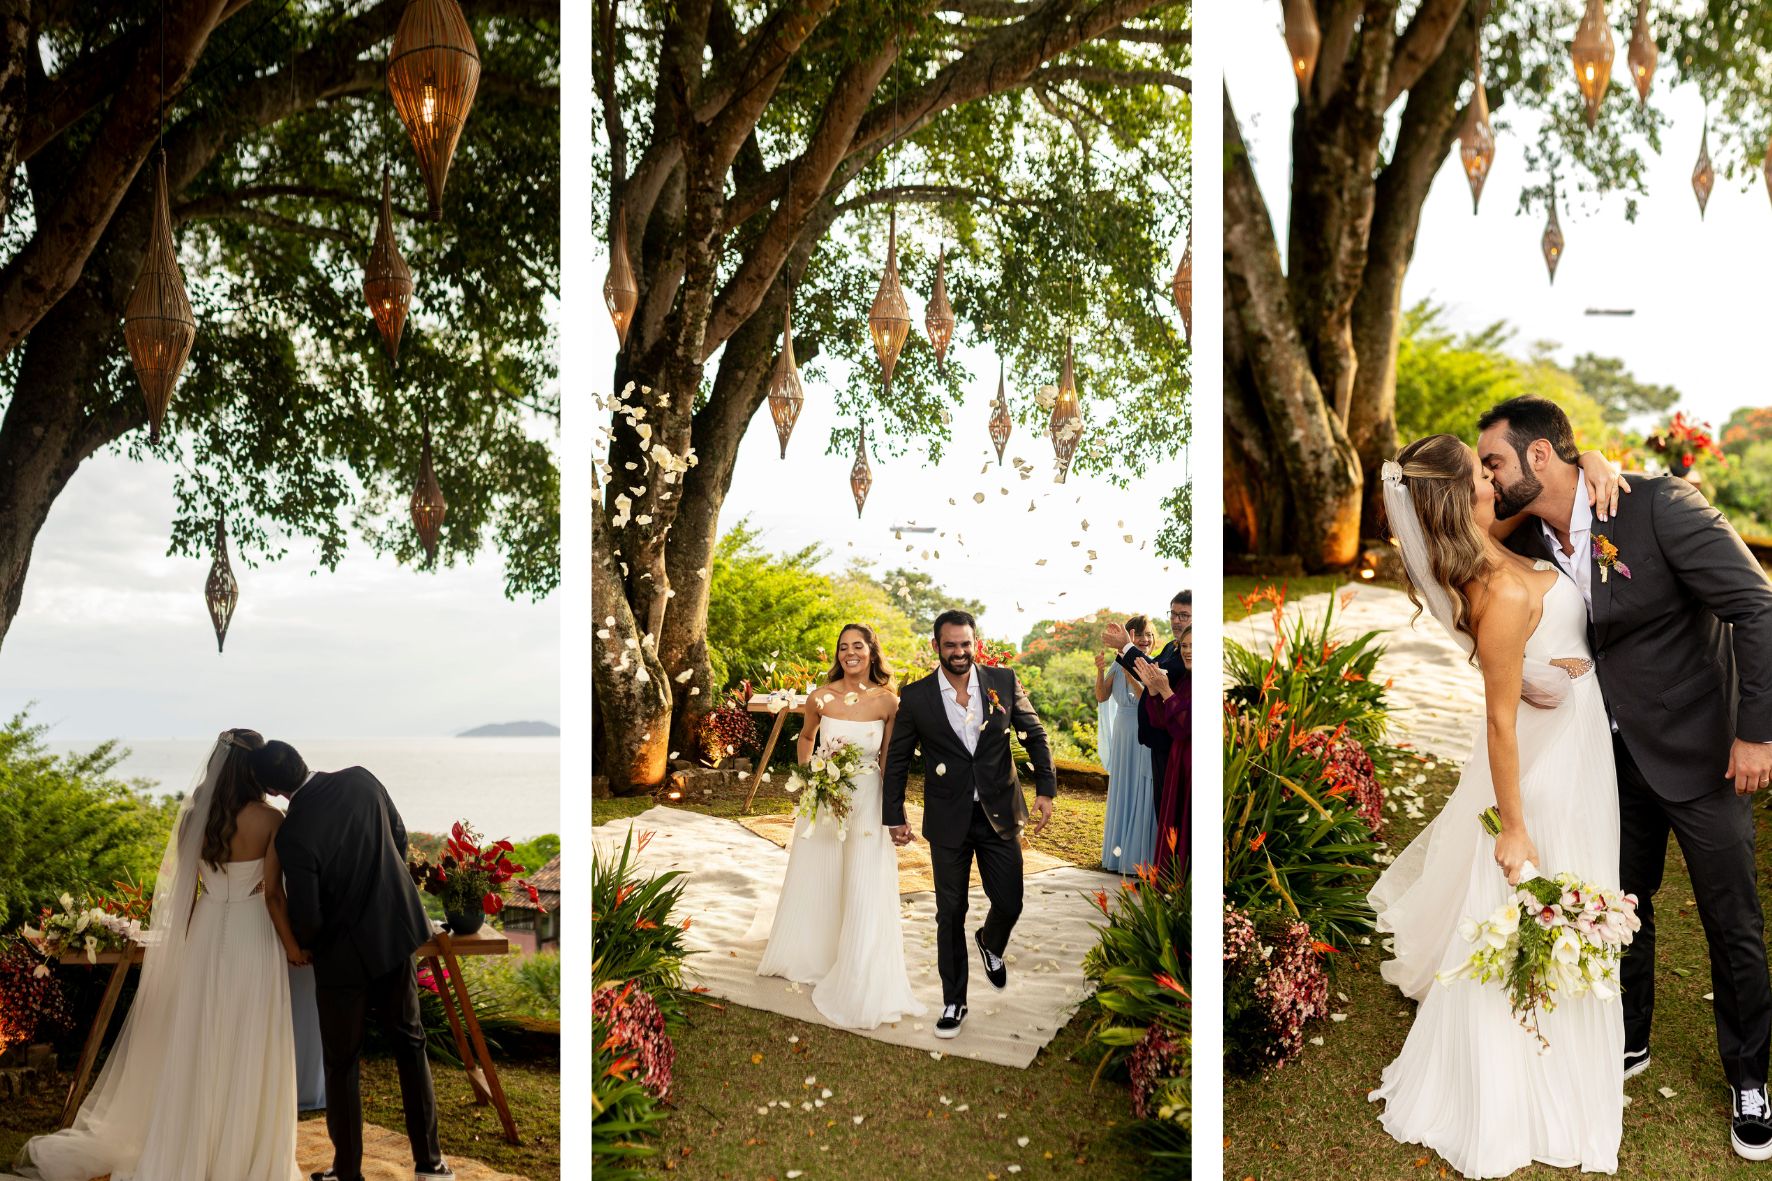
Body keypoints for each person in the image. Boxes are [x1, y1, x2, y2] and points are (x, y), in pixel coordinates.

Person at [1480, 394, 1772, 1160]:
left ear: (1539, 457)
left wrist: (1755, 733)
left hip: (1706, 753)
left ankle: (1749, 1077)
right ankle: (1628, 1037)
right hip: (1613, 756)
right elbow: (1471, 533)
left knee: (1731, 919)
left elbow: (1757, 606)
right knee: (1624, 903)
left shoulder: (1660, 506)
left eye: (1494, 462)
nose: (1488, 476)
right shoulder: (1535, 524)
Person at [1366, 433, 1626, 1177]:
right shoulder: (1504, 592)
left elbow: (1551, 498)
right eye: (1481, 472)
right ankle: (1531, 1067)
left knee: (1564, 896)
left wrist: (1597, 464)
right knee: (1538, 899)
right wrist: (1514, 827)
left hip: (1572, 738)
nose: (1494, 478)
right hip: (1547, 767)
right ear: (1458, 498)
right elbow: (1500, 720)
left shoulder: (1491, 537)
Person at [14, 730, 303, 1181]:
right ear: (254, 770)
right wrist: (293, 947)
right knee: (251, 1032)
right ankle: (242, 1154)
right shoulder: (272, 820)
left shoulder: (194, 819)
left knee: (201, 1034)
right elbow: (274, 898)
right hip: (252, 933)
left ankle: (190, 1145)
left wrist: (186, 948)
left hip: (206, 929)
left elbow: (183, 897)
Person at [253, 741, 454, 1181]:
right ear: (302, 760)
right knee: (411, 1045)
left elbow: (308, 914)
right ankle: (431, 1165)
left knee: (342, 1064)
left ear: (271, 789)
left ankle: (348, 1173)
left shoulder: (293, 832)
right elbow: (399, 838)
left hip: (341, 960)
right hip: (393, 936)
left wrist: (304, 945)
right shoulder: (362, 779)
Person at [883, 609, 1057, 1039]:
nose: (959, 652)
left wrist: (1046, 790)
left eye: (966, 644)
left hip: (1000, 814)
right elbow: (899, 760)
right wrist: (894, 814)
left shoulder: (1003, 681)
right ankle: (954, 1000)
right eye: (950, 645)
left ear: (974, 642)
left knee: (1010, 901)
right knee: (950, 911)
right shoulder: (917, 697)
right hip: (947, 821)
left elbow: (1035, 734)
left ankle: (991, 943)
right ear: (936, 647)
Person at [752, 623, 926, 1030]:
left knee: (863, 877)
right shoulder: (820, 696)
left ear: (871, 652)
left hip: (866, 797)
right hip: (825, 799)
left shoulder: (888, 702)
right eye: (844, 647)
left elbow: (888, 759)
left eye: (858, 646)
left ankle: (859, 961)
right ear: (838, 654)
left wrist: (892, 809)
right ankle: (814, 953)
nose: (851, 653)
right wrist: (810, 778)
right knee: (821, 873)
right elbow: (806, 738)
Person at [1105, 592, 1190, 815]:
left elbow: (1158, 673)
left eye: (1184, 615)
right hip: (1157, 741)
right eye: (1173, 614)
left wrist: (1126, 647)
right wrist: (1123, 650)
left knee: (1169, 813)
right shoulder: (1172, 646)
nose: (1176, 620)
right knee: (1161, 809)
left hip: (1172, 741)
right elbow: (1150, 669)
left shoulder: (1189, 652)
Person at [1096, 615, 1158, 873]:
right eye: (1138, 635)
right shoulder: (1116, 663)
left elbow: (1148, 699)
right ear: (1128, 638)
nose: (1144, 640)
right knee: (1123, 786)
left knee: (1141, 787)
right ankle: (1116, 855)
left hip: (1144, 730)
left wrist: (1129, 671)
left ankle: (1138, 857)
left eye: (1149, 635)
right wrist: (1101, 670)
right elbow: (1102, 695)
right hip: (1123, 731)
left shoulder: (1154, 666)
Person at [1131, 626, 1191, 878]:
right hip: (1178, 762)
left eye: (1195, 647)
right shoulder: (1187, 680)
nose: (1188, 652)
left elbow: (1187, 726)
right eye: (1185, 646)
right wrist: (1155, 693)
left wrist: (1165, 691)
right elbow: (1162, 722)